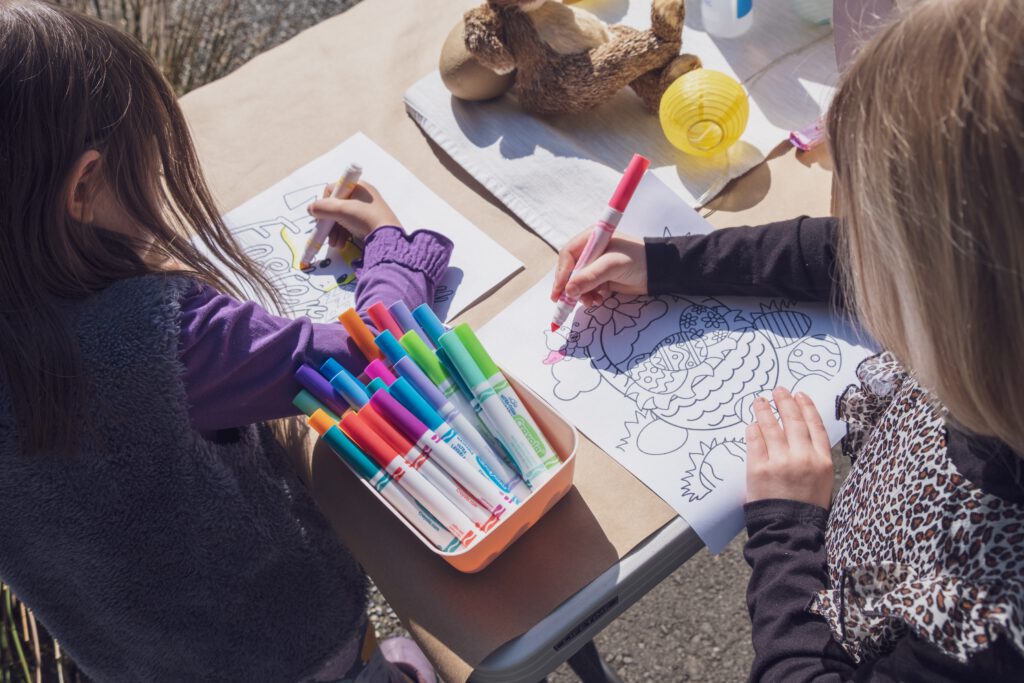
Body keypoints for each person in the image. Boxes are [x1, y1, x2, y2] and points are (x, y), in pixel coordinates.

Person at [552, 0, 1023, 679]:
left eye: (877, 241)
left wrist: (786, 526)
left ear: (953, 308)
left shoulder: (986, 633)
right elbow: (833, 252)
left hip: (851, 595)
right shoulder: (990, 336)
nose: (854, 251)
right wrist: (665, 262)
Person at [0, 1, 443, 681]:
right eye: (147, 163)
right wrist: (393, 252)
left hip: (140, 661)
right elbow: (378, 356)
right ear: (84, 185)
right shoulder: (161, 340)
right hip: (294, 649)